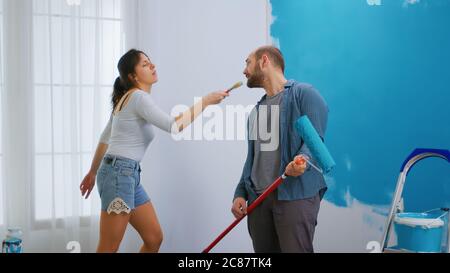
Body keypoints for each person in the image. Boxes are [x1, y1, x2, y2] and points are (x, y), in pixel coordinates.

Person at [80, 49, 229, 253]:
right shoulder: (138, 98)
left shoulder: (126, 99)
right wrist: (205, 101)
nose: (152, 66)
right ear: (132, 76)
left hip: (124, 174)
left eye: (150, 62)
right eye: (144, 64)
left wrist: (93, 172)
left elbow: (105, 139)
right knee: (108, 248)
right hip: (119, 175)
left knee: (154, 238)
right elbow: (174, 125)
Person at [231, 46, 329, 253]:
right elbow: (253, 159)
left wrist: (302, 160)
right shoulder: (255, 112)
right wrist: (240, 192)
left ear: (264, 61)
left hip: (293, 196)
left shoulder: (303, 94)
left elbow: (315, 140)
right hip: (258, 199)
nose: (244, 70)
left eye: (247, 62)